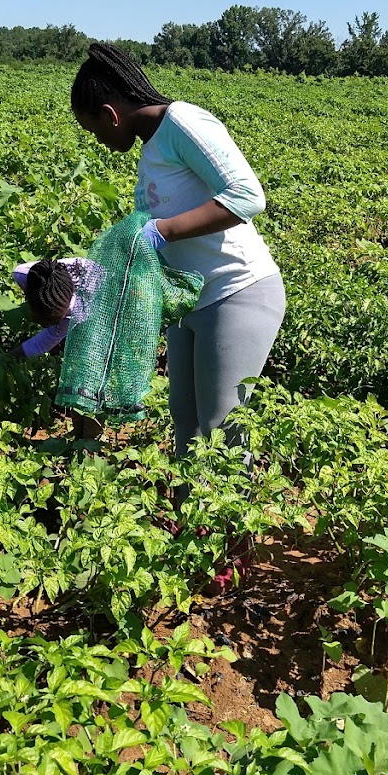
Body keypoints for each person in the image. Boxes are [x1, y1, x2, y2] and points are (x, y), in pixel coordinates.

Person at [70, 42, 286, 586]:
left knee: (221, 432)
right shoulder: (150, 150)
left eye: (96, 129)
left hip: (237, 292)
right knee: (187, 428)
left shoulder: (184, 122)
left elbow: (248, 196)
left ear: (111, 112)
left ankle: (232, 559)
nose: (99, 141)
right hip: (192, 299)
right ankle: (196, 538)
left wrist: (160, 229)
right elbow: (157, 236)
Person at [8, 257, 103, 360]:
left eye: (53, 320)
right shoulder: (23, 274)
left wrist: (7, 359)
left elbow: (41, 343)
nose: (46, 324)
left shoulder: (80, 310)